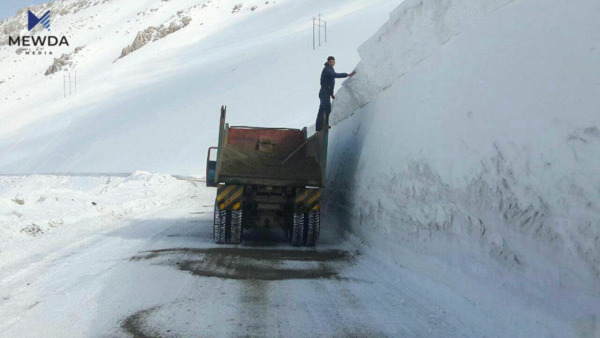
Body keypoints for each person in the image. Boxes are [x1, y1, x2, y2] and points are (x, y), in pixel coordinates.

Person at [315, 56, 356, 131]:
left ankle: (321, 125)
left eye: (333, 62)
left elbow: (328, 83)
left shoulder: (330, 69)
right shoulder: (327, 69)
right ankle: (321, 126)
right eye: (330, 62)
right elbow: (334, 75)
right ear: (328, 62)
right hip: (324, 92)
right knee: (325, 108)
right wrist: (347, 74)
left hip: (326, 93)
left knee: (325, 108)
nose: (332, 63)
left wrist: (331, 94)